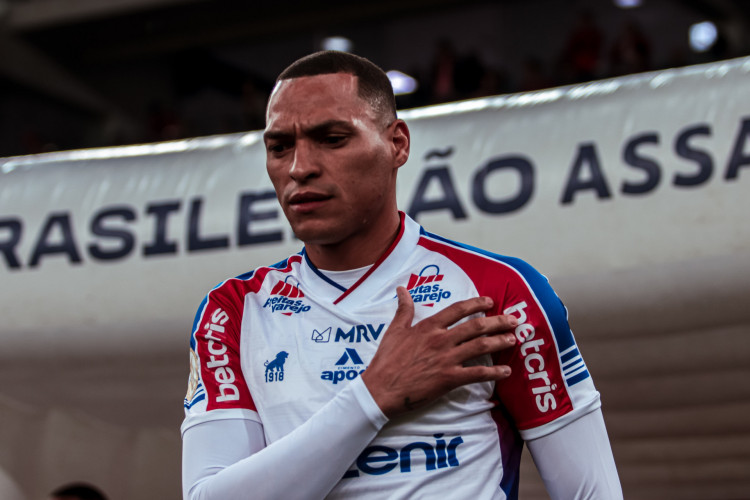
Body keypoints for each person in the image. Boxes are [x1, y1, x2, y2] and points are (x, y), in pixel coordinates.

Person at [181, 50, 622, 499]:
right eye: (280, 147)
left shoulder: (500, 291)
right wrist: (373, 397)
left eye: (332, 138)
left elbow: (592, 492)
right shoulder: (234, 311)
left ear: (397, 144)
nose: (299, 168)